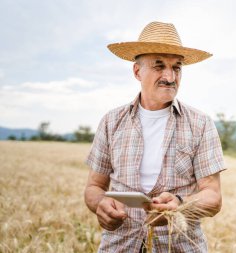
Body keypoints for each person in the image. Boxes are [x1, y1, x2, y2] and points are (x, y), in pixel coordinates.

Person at [84, 21, 225, 252]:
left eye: (177, 67)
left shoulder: (200, 124)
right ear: (137, 71)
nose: (170, 76)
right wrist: (100, 204)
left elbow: (213, 197)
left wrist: (181, 205)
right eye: (159, 66)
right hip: (119, 245)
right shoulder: (111, 121)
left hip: (178, 246)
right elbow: (93, 186)